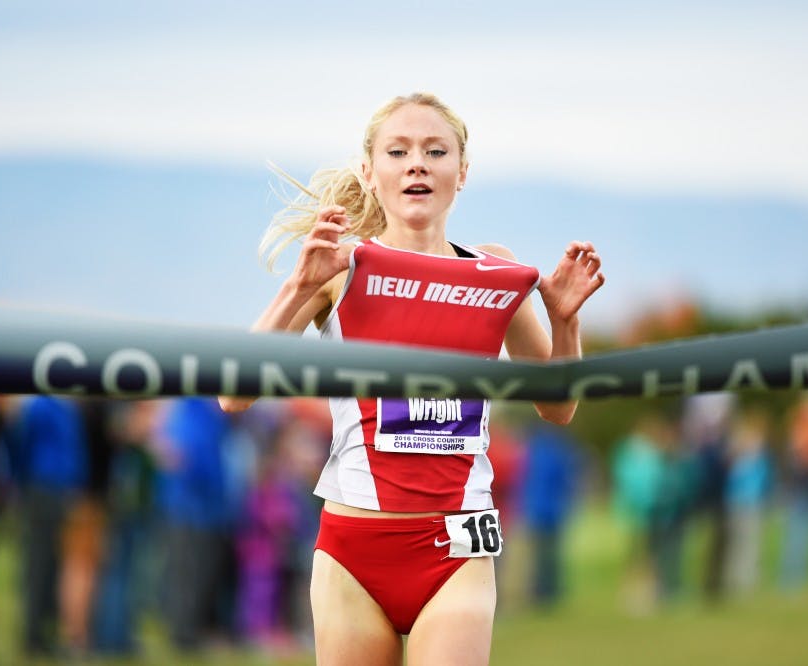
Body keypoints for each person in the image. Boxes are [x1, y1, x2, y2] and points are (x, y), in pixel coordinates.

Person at [220, 92, 605, 666]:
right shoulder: (341, 267)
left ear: (462, 172)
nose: (417, 163)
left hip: (456, 548)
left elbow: (557, 407)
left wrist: (565, 321)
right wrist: (300, 285)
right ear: (371, 174)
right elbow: (235, 393)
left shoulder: (493, 270)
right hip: (354, 550)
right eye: (397, 151)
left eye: (435, 150)